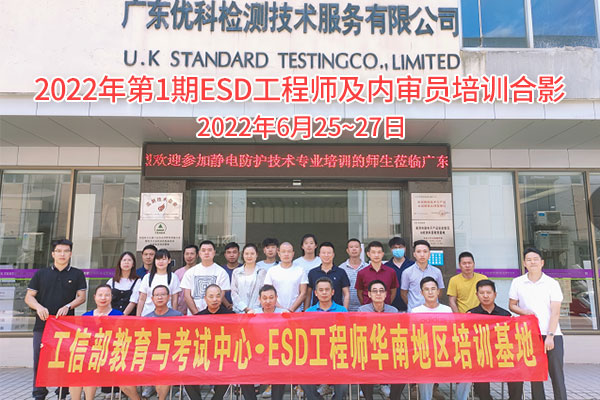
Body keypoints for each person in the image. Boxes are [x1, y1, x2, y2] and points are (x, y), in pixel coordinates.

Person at [25, 238, 87, 400]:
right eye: (58, 251)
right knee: (40, 359)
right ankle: (39, 393)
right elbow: (29, 297)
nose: (62, 254)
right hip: (43, 324)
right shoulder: (41, 274)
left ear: (70, 254)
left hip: (66, 325)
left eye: (66, 251)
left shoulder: (77, 274)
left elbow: (82, 297)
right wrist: (38, 307)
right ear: (53, 254)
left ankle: (63, 391)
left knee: (65, 358)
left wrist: (68, 306)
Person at [509, 248, 567, 400]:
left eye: (535, 259)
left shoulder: (552, 283)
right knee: (535, 375)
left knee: (557, 374)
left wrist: (550, 336)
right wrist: (524, 312)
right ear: (524, 263)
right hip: (529, 335)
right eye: (529, 260)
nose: (532, 262)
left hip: (552, 335)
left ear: (542, 262)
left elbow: (555, 312)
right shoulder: (517, 282)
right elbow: (512, 305)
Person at [70, 285, 140, 400]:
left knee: (124, 381)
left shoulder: (119, 316)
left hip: (112, 355)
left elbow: (123, 337)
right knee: (77, 372)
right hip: (92, 355)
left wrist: (105, 324)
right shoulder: (86, 316)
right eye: (100, 295)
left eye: (107, 295)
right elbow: (81, 338)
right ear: (94, 297)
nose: (103, 298)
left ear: (111, 297)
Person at [411, 277, 469, 400]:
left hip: (446, 354)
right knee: (425, 372)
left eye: (433, 289)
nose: (430, 292)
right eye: (426, 289)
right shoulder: (416, 311)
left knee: (466, 372)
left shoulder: (447, 310)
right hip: (426, 355)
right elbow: (413, 336)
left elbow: (452, 333)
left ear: (438, 291)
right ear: (421, 292)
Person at [468, 280, 523, 400]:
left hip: (502, 356)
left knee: (517, 371)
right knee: (479, 370)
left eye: (488, 292)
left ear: (495, 294)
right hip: (481, 357)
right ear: (477, 295)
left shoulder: (505, 315)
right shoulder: (471, 315)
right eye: (482, 293)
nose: (485, 296)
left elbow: (512, 338)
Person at [185, 284, 234, 400]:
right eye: (211, 296)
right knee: (186, 374)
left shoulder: (231, 316)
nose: (214, 299)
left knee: (228, 371)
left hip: (223, 358)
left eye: (218, 296)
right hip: (202, 357)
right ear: (205, 298)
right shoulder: (198, 318)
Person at [302, 278, 348, 400]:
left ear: (332, 292)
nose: (324, 292)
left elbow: (347, 335)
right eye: (321, 290)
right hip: (314, 356)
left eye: (327, 290)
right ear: (315, 293)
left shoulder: (342, 311)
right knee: (303, 379)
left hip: (337, 356)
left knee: (344, 384)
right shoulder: (309, 312)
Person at [358, 280, 406, 400]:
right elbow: (360, 334)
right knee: (363, 367)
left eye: (381, 291)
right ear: (369, 294)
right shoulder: (362, 311)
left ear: (386, 294)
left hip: (389, 352)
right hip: (369, 352)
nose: (378, 294)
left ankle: (394, 397)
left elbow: (396, 334)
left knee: (403, 369)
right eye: (375, 291)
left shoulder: (393, 311)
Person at [145, 285, 183, 400]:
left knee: (163, 373)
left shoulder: (177, 316)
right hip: (152, 356)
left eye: (163, 294)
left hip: (172, 355)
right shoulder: (147, 318)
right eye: (157, 295)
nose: (160, 297)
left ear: (169, 297)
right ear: (152, 298)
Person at [180, 240, 232, 314]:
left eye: (210, 250)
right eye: (203, 250)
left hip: (214, 315)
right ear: (199, 253)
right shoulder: (190, 272)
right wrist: (197, 314)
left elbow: (221, 295)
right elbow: (187, 296)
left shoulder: (221, 272)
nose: (206, 253)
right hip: (194, 315)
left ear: (214, 252)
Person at [400, 240, 445, 312]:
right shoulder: (407, 272)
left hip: (433, 311)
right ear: (414, 254)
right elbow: (403, 293)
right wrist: (412, 304)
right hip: (414, 311)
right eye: (418, 252)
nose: (422, 255)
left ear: (429, 254)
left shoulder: (437, 272)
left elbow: (440, 292)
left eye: (425, 251)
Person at [264, 242, 307, 312]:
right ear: (279, 253)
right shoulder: (272, 271)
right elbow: (268, 292)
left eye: (289, 251)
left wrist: (291, 310)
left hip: (295, 312)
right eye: (283, 252)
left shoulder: (300, 270)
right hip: (276, 311)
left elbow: (303, 293)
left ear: (293, 254)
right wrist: (281, 310)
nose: (286, 254)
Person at [305, 242, 350, 309]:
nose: (326, 255)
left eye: (329, 253)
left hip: (337, 311)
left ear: (333, 254)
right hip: (317, 311)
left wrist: (344, 311)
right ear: (319, 255)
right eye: (323, 253)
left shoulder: (341, 272)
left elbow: (346, 294)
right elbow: (308, 295)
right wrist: (306, 311)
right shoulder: (312, 273)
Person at [136, 248, 181, 316]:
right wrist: (138, 316)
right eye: (158, 259)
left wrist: (174, 316)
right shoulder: (147, 277)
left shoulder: (173, 277)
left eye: (163, 259)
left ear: (169, 260)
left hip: (167, 315)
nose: (160, 262)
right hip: (148, 314)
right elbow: (142, 299)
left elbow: (175, 300)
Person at [355, 241, 398, 306]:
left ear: (383, 254)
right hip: (368, 309)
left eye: (379, 252)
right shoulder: (362, 273)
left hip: (386, 309)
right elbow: (359, 293)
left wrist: (387, 305)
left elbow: (393, 291)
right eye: (373, 252)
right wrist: (365, 305)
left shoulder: (391, 272)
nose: (376, 255)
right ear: (368, 254)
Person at [232, 243, 267, 313]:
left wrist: (254, 309)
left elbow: (263, 292)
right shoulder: (236, 272)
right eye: (246, 254)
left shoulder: (262, 271)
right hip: (239, 311)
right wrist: (244, 308)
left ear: (256, 255)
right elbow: (234, 292)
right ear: (243, 255)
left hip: (257, 311)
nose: (249, 256)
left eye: (252, 253)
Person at [383, 237, 415, 312]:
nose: (398, 249)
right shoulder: (386, 267)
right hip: (390, 307)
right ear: (391, 250)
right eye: (395, 248)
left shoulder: (412, 265)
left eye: (400, 247)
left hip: (410, 307)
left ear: (405, 248)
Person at [106, 251, 140, 315]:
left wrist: (122, 316)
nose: (126, 262)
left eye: (129, 260)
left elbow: (133, 301)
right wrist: (111, 314)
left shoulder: (138, 281)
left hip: (129, 316)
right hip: (112, 316)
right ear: (120, 263)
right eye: (124, 260)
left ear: (133, 264)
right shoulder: (112, 281)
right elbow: (107, 299)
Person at [338, 238, 368, 311]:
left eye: (356, 247)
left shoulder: (367, 268)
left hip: (364, 308)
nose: (354, 249)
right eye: (351, 247)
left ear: (361, 250)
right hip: (346, 308)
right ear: (347, 250)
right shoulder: (341, 268)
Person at [174, 244, 198, 314]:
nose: (189, 256)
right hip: (181, 310)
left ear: (197, 255)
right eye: (187, 254)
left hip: (197, 309)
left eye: (192, 254)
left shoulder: (201, 272)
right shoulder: (177, 273)